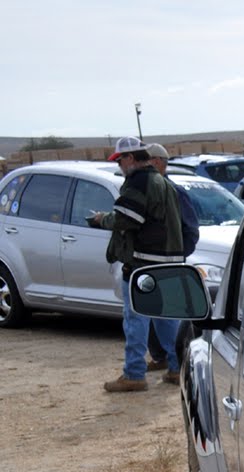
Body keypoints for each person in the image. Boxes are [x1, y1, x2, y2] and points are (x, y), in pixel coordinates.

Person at [87, 136, 185, 392]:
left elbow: (127, 219)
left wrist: (101, 219)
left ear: (130, 158)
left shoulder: (139, 182)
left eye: (120, 160)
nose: (120, 165)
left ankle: (134, 374)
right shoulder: (163, 183)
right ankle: (177, 369)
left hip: (144, 263)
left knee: (136, 319)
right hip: (169, 260)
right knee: (167, 319)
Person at [143, 144, 198, 372]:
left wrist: (175, 256)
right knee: (151, 310)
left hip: (168, 263)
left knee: (168, 313)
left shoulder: (173, 192)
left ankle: (177, 363)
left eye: (144, 160)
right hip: (152, 262)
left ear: (156, 162)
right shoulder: (151, 191)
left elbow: (190, 231)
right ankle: (161, 357)